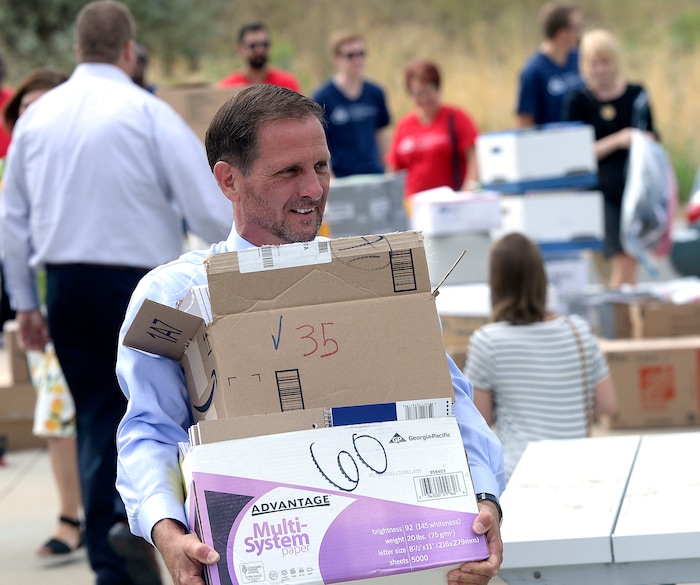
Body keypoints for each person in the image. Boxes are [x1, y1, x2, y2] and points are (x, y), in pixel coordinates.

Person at [114, 83, 506, 585]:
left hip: (395, 560)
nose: (314, 189)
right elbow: (150, 429)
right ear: (229, 181)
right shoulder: (175, 296)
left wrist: (485, 496)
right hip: (254, 559)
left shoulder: (372, 282)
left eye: (321, 166)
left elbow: (449, 401)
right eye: (289, 172)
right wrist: (166, 529)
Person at [0, 2, 231, 584]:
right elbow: (205, 206)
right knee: (158, 415)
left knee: (97, 414)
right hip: (139, 284)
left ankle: (112, 557)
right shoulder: (147, 113)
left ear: (76, 51)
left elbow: (12, 219)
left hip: (68, 283)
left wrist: (26, 300)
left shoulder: (35, 118)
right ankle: (158, 533)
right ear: (129, 50)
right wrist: (244, 263)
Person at [2, 66, 84, 562]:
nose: (34, 116)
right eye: (25, 109)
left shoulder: (86, 160)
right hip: (45, 310)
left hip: (99, 301)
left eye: (44, 105)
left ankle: (108, 511)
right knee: (58, 413)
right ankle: (71, 515)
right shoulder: (14, 168)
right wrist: (25, 306)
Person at [465, 233, 618, 482]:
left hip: (520, 474)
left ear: (496, 282)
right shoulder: (578, 331)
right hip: (579, 472)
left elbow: (480, 421)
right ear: (541, 277)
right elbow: (607, 405)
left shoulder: (487, 341)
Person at [563, 29, 656, 288]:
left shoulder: (637, 95)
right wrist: (618, 140)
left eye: (604, 62)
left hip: (635, 189)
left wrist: (640, 139)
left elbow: (654, 137)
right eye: (593, 63)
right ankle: (619, 322)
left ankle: (627, 321)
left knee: (632, 260)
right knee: (622, 260)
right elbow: (573, 154)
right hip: (601, 191)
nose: (599, 70)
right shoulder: (578, 101)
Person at [386, 59, 479, 208]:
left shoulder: (456, 118)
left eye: (427, 91)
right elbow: (394, 169)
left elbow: (474, 156)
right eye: (417, 93)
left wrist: (469, 189)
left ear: (437, 88)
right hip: (414, 206)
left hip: (450, 205)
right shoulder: (404, 125)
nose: (424, 99)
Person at [312, 30, 390, 178]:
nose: (357, 60)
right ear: (336, 59)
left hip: (374, 174)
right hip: (342, 177)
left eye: (361, 53)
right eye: (350, 55)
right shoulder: (323, 97)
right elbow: (319, 142)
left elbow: (381, 134)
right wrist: (330, 178)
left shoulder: (376, 93)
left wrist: (385, 168)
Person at [516, 2, 583, 127]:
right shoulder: (534, 71)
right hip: (551, 142)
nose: (579, 34)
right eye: (576, 28)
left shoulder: (579, 59)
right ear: (562, 33)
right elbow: (525, 122)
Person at [218, 22, 300, 93]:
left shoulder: (287, 84)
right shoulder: (227, 87)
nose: (259, 50)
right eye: (253, 46)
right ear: (240, 49)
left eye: (264, 44)